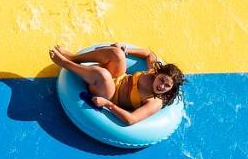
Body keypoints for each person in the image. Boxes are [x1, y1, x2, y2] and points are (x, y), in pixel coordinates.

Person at [49, 44, 185, 126]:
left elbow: (131, 119)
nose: (161, 86)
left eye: (167, 86)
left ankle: (66, 64)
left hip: (110, 95)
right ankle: (73, 58)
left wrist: (108, 104)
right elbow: (149, 54)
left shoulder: (155, 102)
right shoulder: (153, 71)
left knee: (103, 75)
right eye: (161, 80)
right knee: (117, 53)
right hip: (118, 77)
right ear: (158, 74)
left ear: (170, 89)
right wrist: (125, 49)